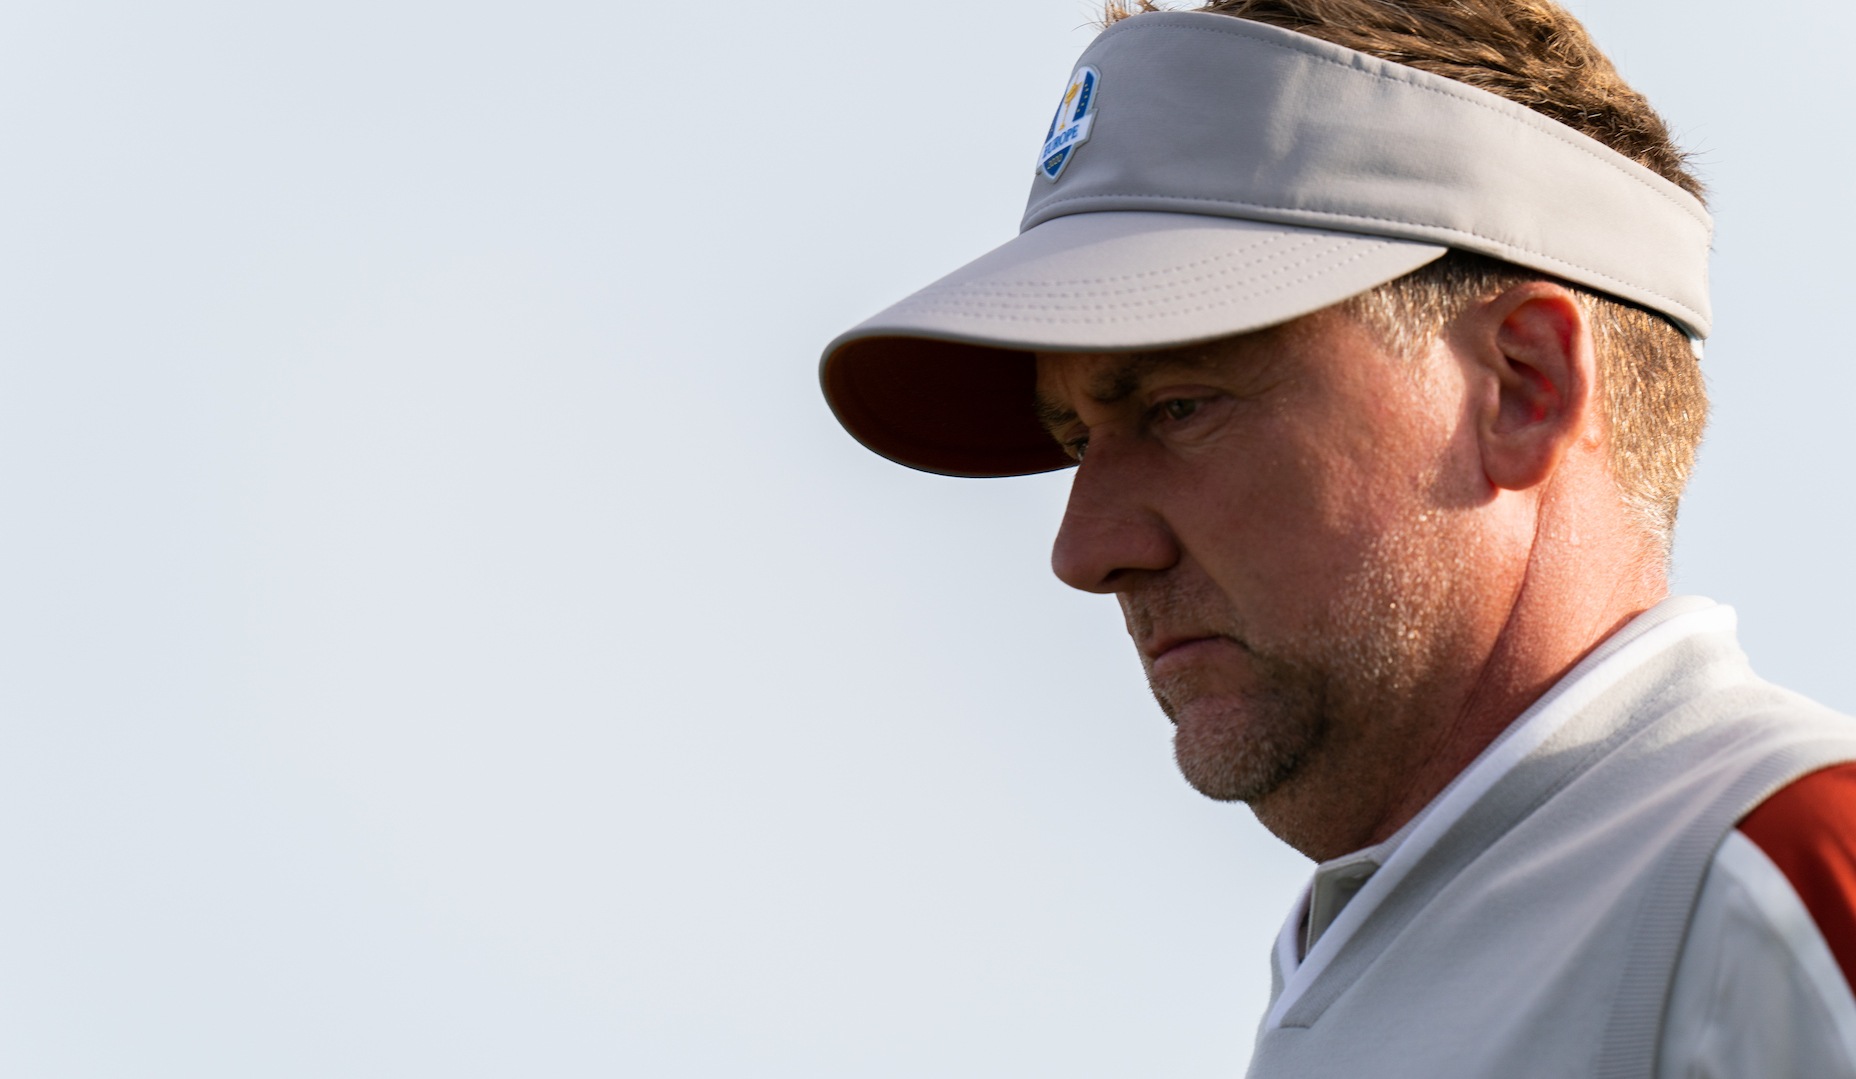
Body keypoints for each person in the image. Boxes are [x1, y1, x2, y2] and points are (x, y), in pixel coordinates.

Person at [819, 1, 1856, 1075]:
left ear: (1521, 387)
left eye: (1179, 404)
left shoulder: (1790, 872)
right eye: (1077, 436)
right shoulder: (1391, 950)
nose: (1085, 549)